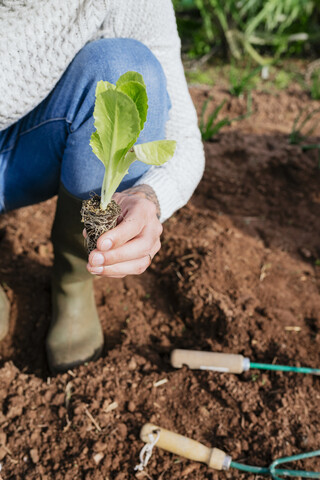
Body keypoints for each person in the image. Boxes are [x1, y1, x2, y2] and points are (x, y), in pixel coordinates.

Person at [0, 0, 205, 372]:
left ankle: (73, 279)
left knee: (127, 68)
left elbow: (184, 142)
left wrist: (148, 197)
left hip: (25, 150)